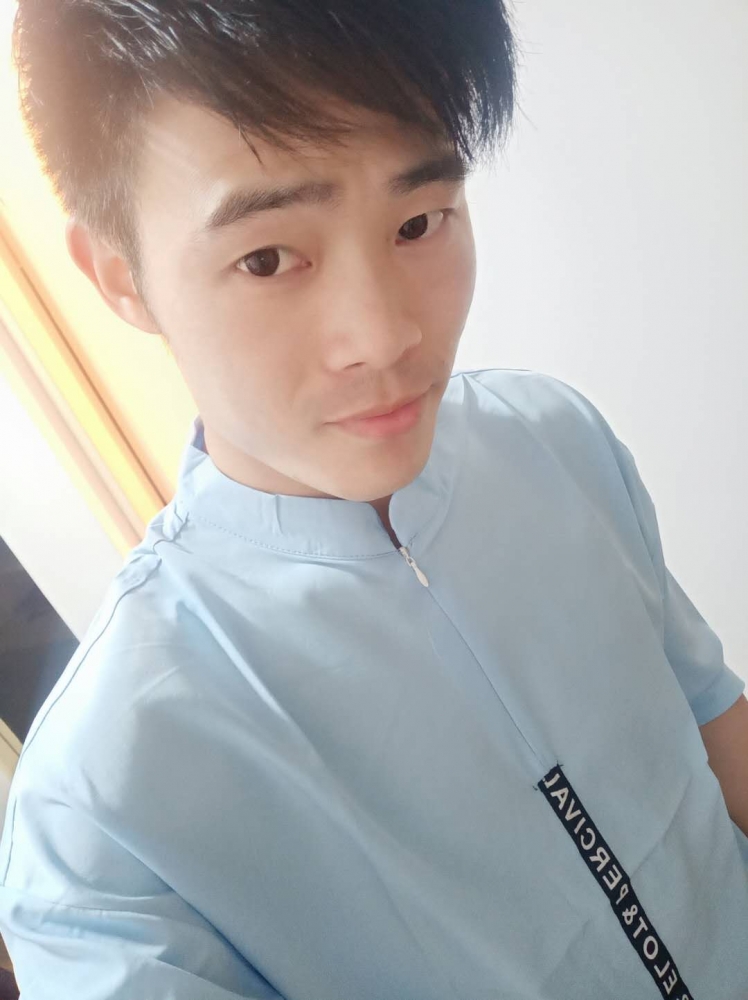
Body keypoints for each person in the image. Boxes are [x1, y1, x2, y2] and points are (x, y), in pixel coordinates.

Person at [1, 1, 747, 997]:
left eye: (417, 222)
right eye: (268, 258)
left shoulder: (554, 439)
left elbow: (714, 722)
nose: (384, 334)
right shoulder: (104, 819)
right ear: (118, 275)